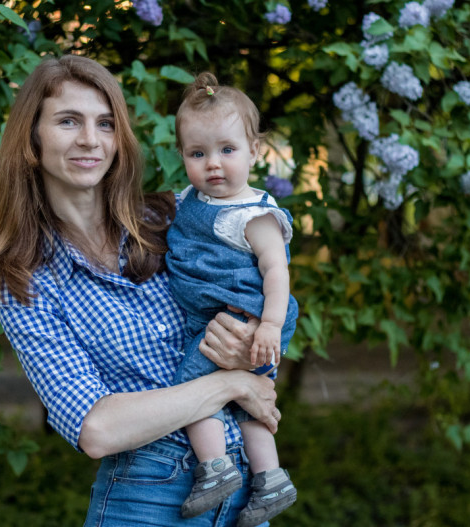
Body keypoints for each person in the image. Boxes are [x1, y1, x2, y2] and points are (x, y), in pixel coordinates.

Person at [0, 54, 283, 526]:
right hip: (148, 497)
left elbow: (263, 285)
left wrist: (253, 338)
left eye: (105, 123)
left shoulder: (173, 218)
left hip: (248, 490)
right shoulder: (25, 280)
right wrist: (231, 383)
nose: (89, 139)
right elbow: (96, 428)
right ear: (32, 139)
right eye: (68, 121)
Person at [166, 72, 299, 527]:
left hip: (244, 321)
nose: (213, 164)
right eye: (197, 153)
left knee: (190, 390)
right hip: (215, 318)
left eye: (228, 150)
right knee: (246, 404)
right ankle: (271, 478)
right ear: (183, 155)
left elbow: (277, 271)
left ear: (254, 150)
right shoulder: (191, 199)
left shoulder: (254, 215)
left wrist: (270, 326)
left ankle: (215, 469)